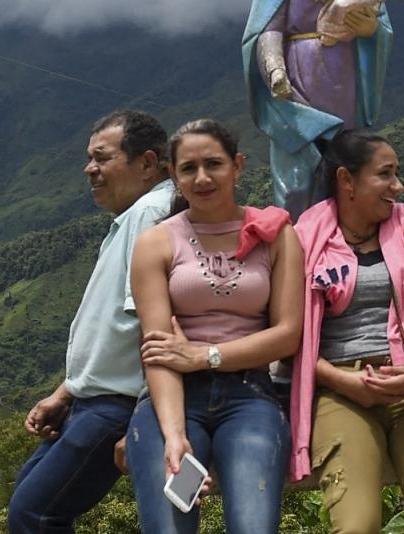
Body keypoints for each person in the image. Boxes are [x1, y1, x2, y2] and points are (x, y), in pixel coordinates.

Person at [123, 119, 304, 533]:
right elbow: (158, 349)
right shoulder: (156, 243)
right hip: (172, 406)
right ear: (173, 175)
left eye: (214, 164)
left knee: (252, 527)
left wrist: (204, 355)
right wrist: (173, 437)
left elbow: (287, 333)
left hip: (249, 401)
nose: (202, 178)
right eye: (188, 168)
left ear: (237, 166)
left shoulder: (276, 235)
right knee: (172, 525)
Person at [7, 110, 174, 533]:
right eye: (89, 158)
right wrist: (64, 393)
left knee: (36, 514)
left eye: (102, 157)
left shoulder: (149, 215)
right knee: (28, 504)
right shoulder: (133, 217)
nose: (90, 169)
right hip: (90, 402)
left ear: (148, 163)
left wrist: (149, 418)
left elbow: (156, 328)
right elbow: (116, 327)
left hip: (115, 405)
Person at [291, 131, 404, 533]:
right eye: (385, 175)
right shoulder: (303, 240)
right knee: (356, 524)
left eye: (397, 175)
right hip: (339, 393)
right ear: (347, 181)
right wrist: (340, 380)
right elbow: (289, 338)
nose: (398, 187)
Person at [243, 0, 393, 218]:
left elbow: (380, 23)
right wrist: (275, 71)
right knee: (298, 182)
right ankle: (299, 256)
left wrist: (370, 29)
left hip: (348, 80)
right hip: (298, 80)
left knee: (350, 177)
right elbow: (267, 25)